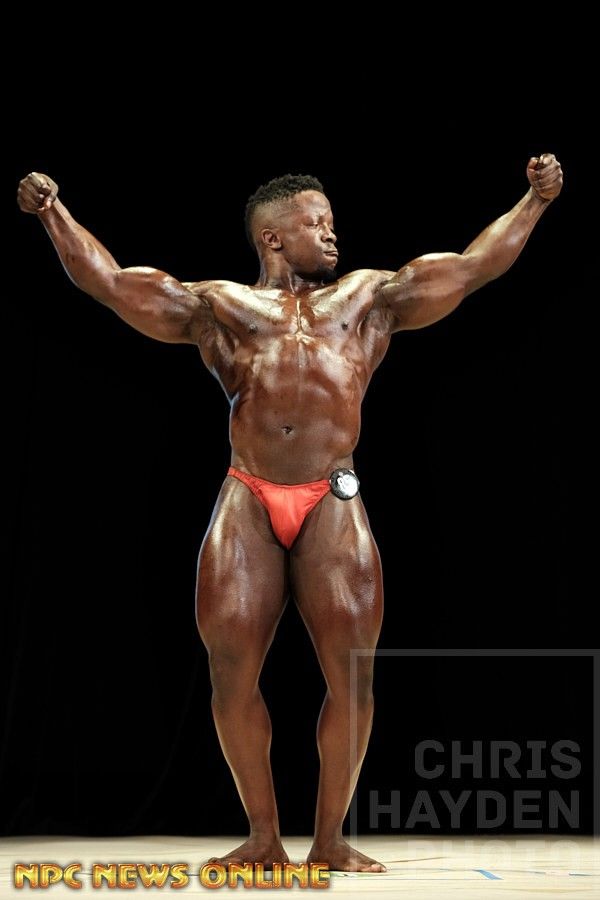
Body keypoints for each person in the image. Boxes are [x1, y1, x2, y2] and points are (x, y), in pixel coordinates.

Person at [17, 156, 563, 872]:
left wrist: (534, 201)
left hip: (332, 493)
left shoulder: (368, 298)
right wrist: (52, 212)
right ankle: (263, 835)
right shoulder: (219, 307)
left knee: (353, 675)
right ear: (273, 237)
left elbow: (472, 267)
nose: (333, 234)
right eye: (317, 223)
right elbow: (112, 283)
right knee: (231, 669)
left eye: (332, 223)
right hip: (248, 493)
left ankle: (330, 839)